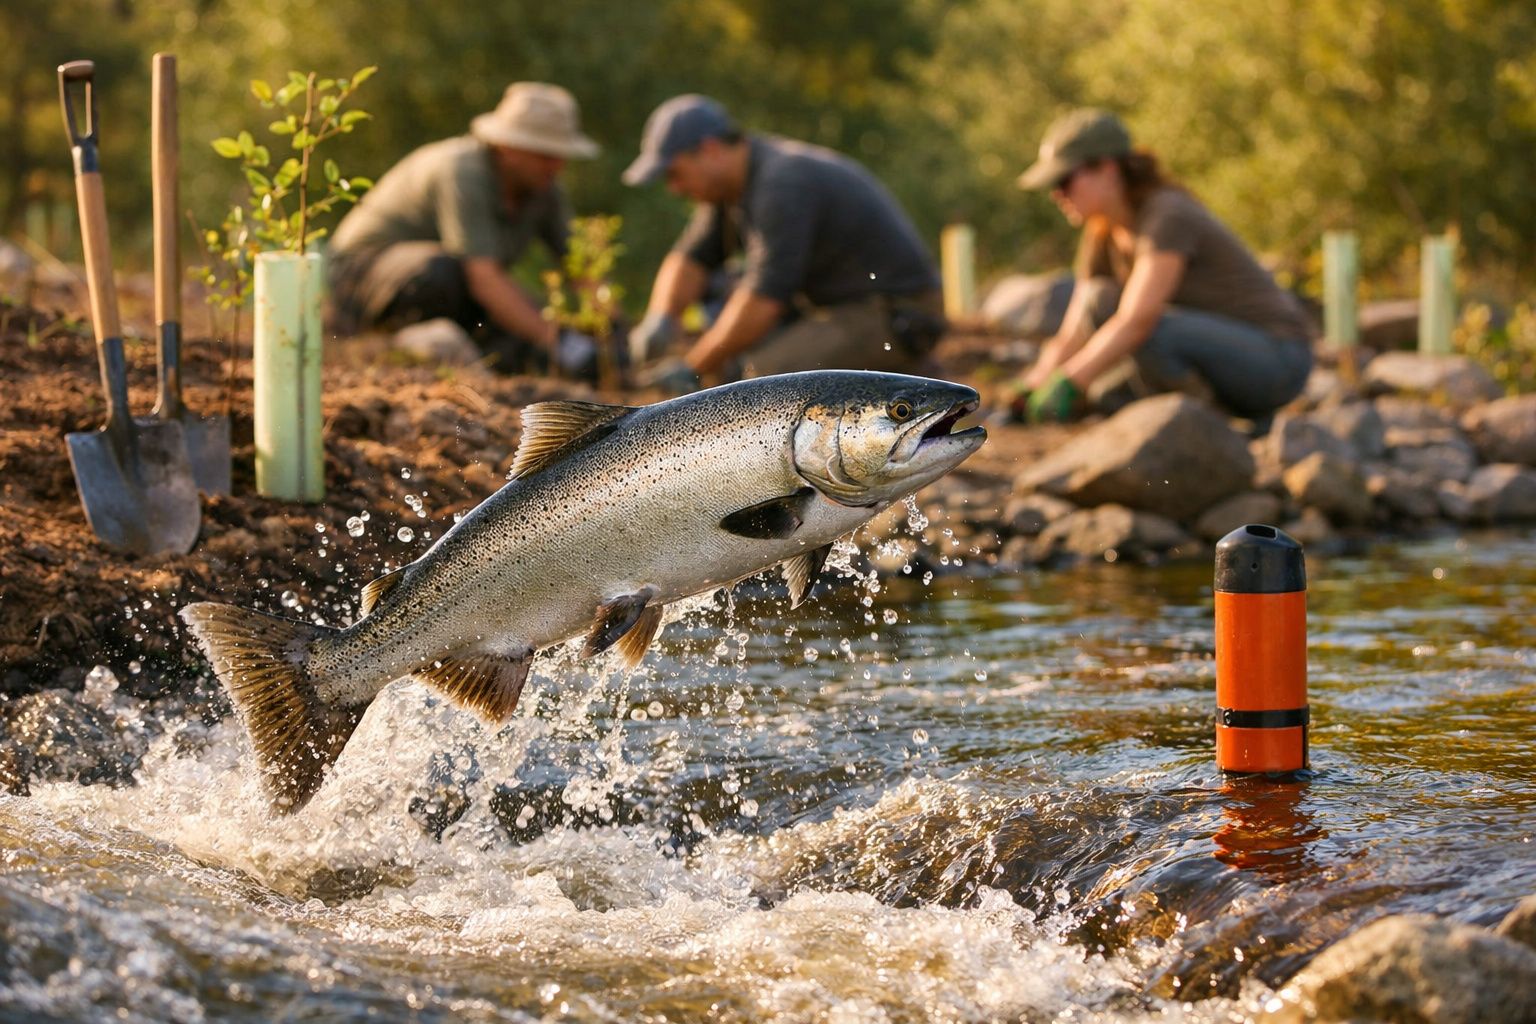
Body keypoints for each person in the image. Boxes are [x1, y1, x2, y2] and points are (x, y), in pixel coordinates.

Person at [1009, 108, 1313, 424]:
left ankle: (1209, 427)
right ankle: (1196, 420)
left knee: (1152, 333)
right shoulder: (1103, 230)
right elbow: (1076, 327)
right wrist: (1034, 383)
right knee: (1104, 381)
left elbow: (1138, 320)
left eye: (1064, 180)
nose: (1058, 194)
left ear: (1108, 169)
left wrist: (1069, 382)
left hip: (1278, 361)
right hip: (1216, 348)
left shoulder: (1167, 214)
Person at [623, 94, 945, 392]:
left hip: (898, 313)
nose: (674, 188)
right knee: (730, 361)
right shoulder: (732, 187)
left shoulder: (781, 183)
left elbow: (764, 300)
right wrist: (661, 317)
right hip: (843, 309)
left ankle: (910, 375)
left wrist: (692, 367)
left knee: (760, 380)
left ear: (710, 150)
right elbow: (692, 257)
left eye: (675, 173)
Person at [327, 82, 601, 376]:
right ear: (509, 147)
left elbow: (581, 269)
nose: (557, 165)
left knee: (525, 326)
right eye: (545, 154)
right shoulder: (463, 171)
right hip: (361, 274)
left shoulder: (544, 190)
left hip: (453, 282)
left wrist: (611, 330)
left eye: (561, 154)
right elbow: (483, 278)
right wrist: (563, 343)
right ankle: (398, 348)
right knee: (441, 272)